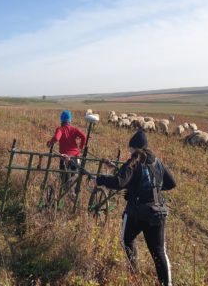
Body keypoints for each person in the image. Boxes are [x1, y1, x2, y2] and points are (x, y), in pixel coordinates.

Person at [91, 129, 176, 286]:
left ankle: (133, 272)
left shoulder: (133, 161)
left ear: (134, 148)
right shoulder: (157, 161)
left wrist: (100, 179)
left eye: (130, 148)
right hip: (157, 212)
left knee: (127, 240)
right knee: (158, 251)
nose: (129, 151)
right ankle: (167, 283)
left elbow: (119, 182)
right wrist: (153, 189)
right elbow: (171, 183)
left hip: (137, 212)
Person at [47, 110, 87, 188]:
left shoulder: (60, 129)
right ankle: (72, 192)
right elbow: (84, 136)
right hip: (76, 157)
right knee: (73, 177)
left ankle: (65, 191)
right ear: (70, 120)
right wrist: (81, 148)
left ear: (61, 120)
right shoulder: (74, 129)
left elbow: (56, 138)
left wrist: (50, 143)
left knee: (64, 180)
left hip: (65, 158)